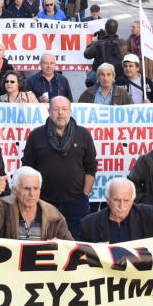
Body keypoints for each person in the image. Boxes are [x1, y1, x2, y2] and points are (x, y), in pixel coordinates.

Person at [22, 96, 96, 238]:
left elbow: (91, 167)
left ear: (70, 111)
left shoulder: (83, 134)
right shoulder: (36, 135)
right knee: (46, 241)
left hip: (76, 202)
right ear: (49, 111)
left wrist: (85, 195)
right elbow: (27, 168)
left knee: (75, 243)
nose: (60, 113)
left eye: (64, 109)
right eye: (56, 109)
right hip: (44, 201)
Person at [0, 166, 73, 240]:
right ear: (14, 190)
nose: (32, 194)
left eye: (36, 188)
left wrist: (60, 245)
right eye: (26, 188)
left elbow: (71, 247)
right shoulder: (3, 207)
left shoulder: (54, 215)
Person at [79, 177, 153, 243]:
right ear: (107, 200)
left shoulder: (146, 214)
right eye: (117, 200)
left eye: (126, 200)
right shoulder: (89, 224)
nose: (121, 205)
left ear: (133, 200)